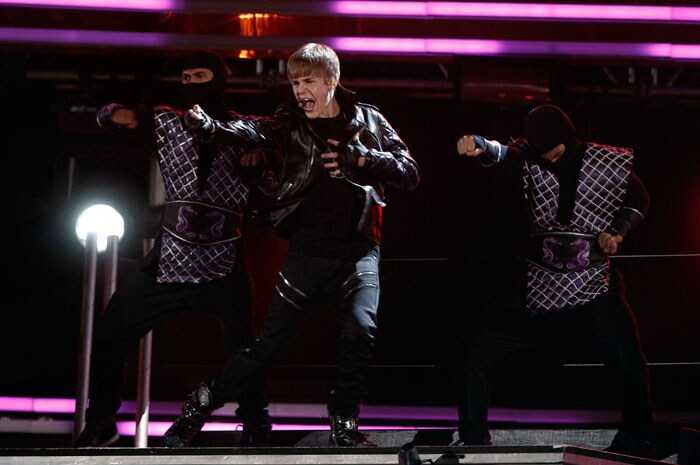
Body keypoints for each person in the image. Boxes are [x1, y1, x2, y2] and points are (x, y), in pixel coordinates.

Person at [160, 42, 420, 448]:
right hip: (306, 255)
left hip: (357, 253)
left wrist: (363, 159)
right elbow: (255, 130)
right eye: (295, 82)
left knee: (360, 330)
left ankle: (344, 424)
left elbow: (410, 171)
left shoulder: (369, 118)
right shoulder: (291, 121)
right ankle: (200, 403)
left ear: (331, 80)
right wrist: (213, 128)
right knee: (267, 349)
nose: (300, 90)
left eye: (308, 80)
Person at [73, 50, 273, 448]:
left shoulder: (250, 129)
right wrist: (115, 114)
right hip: (169, 261)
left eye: (202, 76)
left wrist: (258, 169)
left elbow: (274, 189)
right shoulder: (167, 121)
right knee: (112, 332)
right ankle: (102, 422)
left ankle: (255, 424)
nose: (193, 84)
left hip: (223, 260)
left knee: (243, 345)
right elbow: (110, 114)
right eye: (187, 77)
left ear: (218, 80)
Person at [454, 104, 657, 458]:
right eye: (542, 155)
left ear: (569, 140)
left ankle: (639, 435)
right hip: (541, 286)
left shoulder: (605, 162)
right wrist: (479, 143)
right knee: (477, 351)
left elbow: (639, 198)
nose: (550, 160)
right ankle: (473, 438)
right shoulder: (530, 157)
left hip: (594, 284)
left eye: (557, 153)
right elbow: (504, 152)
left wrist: (618, 232)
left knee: (628, 354)